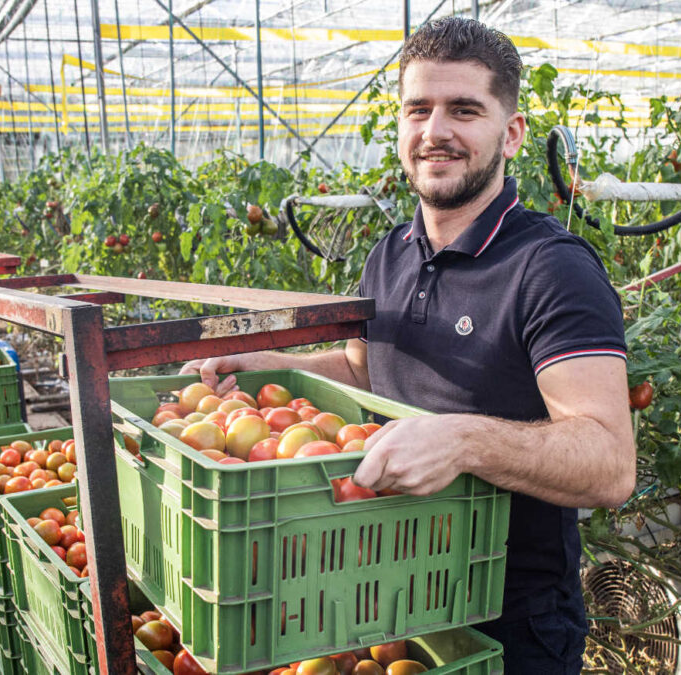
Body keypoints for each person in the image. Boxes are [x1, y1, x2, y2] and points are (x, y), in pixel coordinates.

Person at [181, 16, 634, 675]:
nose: (435, 131)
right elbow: (369, 371)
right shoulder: (390, 254)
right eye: (418, 109)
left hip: (505, 622)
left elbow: (610, 462)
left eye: (464, 110)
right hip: (384, 595)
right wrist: (276, 367)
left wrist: (465, 442)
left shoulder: (550, 268)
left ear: (511, 134)